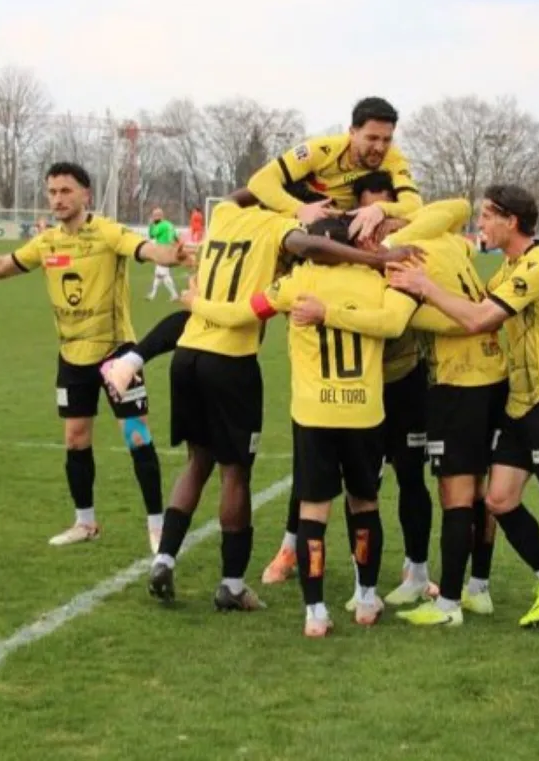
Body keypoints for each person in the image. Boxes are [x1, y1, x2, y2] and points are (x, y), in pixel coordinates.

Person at [110, 195, 419, 612]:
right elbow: (389, 315)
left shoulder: (234, 222)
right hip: (302, 390)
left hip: (192, 354)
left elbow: (243, 307)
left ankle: (167, 559)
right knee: (243, 476)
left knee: (200, 465)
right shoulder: (352, 271)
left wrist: (195, 304)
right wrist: (378, 257)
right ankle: (238, 585)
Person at [388, 184, 539, 639]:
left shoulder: (538, 267)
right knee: (499, 500)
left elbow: (478, 319)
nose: (480, 224)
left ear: (512, 221)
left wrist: (424, 287)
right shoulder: (509, 266)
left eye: (488, 216)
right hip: (518, 404)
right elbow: (469, 311)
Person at [183, 217, 423, 636]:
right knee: (364, 505)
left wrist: (196, 304)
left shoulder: (294, 284)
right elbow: (394, 324)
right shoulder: (379, 281)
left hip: (314, 416)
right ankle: (367, 597)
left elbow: (242, 314)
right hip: (364, 413)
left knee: (313, 511)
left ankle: (315, 611)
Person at [0, 162, 184, 554]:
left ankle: (157, 526)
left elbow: (146, 249)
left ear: (85, 194)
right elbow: (1, 266)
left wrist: (169, 254)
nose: (57, 199)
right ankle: (85, 523)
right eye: (52, 192)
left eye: (66, 191)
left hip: (115, 353)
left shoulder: (107, 232)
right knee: (75, 439)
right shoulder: (46, 242)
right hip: (71, 354)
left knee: (136, 436)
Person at [366, 215, 507, 626]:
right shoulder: (452, 244)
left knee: (455, 494)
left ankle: (447, 605)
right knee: (478, 490)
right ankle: (478, 588)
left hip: (458, 384)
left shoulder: (405, 260)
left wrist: (418, 313)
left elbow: (416, 319)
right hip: (493, 377)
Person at [247, 97, 421, 242]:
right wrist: (300, 209)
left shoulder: (394, 159)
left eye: (386, 140)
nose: (380, 148)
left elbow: (414, 205)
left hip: (337, 222)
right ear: (352, 132)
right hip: (297, 209)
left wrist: (381, 209)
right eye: (372, 138)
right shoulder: (321, 150)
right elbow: (260, 182)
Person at [146, 208, 180, 301]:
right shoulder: (169, 224)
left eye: (154, 216)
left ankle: (174, 295)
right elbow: (176, 237)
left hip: (162, 252)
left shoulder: (160, 226)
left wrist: (151, 225)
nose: (153, 218)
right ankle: (152, 295)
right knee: (158, 274)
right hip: (169, 250)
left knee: (163, 275)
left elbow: (151, 235)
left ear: (158, 217)